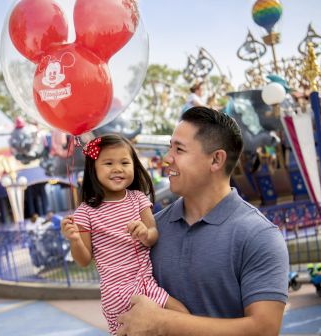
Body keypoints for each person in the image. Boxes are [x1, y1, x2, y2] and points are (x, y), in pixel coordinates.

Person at [117, 106, 289, 335]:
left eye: (179, 149)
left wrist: (164, 323)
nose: (167, 158)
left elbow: (264, 329)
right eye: (170, 147)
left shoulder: (259, 236)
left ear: (216, 160)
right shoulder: (150, 230)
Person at [60, 134, 188, 335]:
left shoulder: (137, 199)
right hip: (118, 292)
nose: (117, 168)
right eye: (108, 163)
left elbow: (154, 234)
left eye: (124, 162)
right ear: (94, 169)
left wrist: (145, 233)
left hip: (145, 283)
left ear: (134, 167)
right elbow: (83, 260)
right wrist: (75, 239)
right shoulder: (86, 212)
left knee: (177, 320)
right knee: (181, 315)